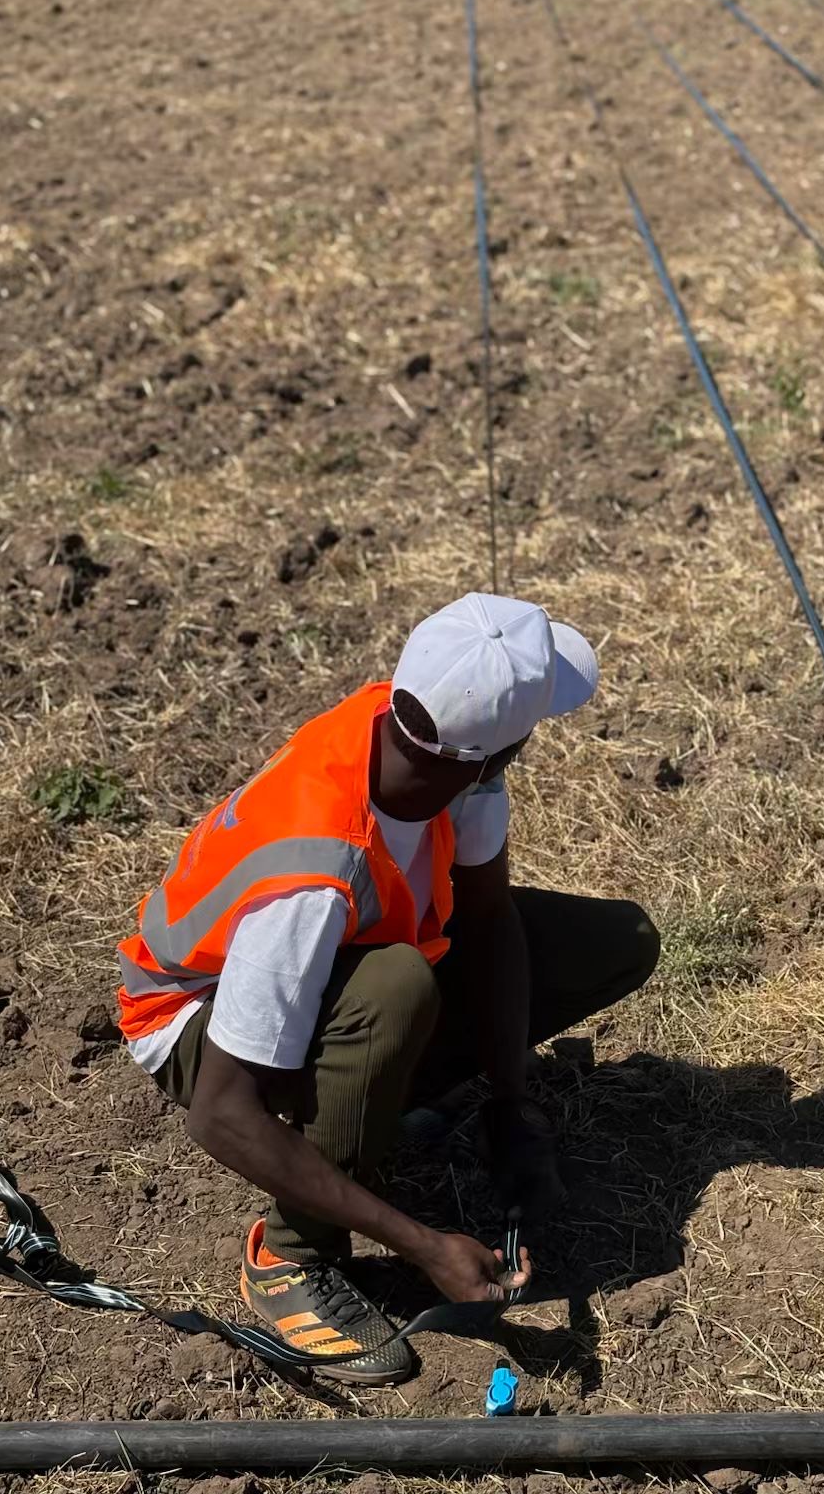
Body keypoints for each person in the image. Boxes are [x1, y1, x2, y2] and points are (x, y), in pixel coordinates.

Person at [115, 593, 659, 1384]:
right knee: (394, 991)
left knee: (613, 943)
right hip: (197, 1023)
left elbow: (488, 918)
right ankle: (291, 1258)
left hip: (333, 967)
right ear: (495, 754)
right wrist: (425, 1246)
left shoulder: (433, 750)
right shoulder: (313, 876)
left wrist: (510, 1104)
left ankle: (369, 1099)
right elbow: (221, 1115)